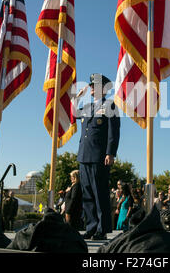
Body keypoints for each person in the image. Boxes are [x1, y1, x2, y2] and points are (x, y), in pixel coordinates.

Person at [76, 73, 120, 240]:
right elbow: (73, 113)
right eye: (92, 85)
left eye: (95, 85)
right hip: (84, 155)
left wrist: (110, 152)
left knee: (99, 193)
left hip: (99, 156)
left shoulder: (110, 106)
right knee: (87, 194)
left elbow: (113, 132)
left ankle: (102, 229)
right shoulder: (87, 107)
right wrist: (77, 98)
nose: (92, 87)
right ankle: (91, 226)